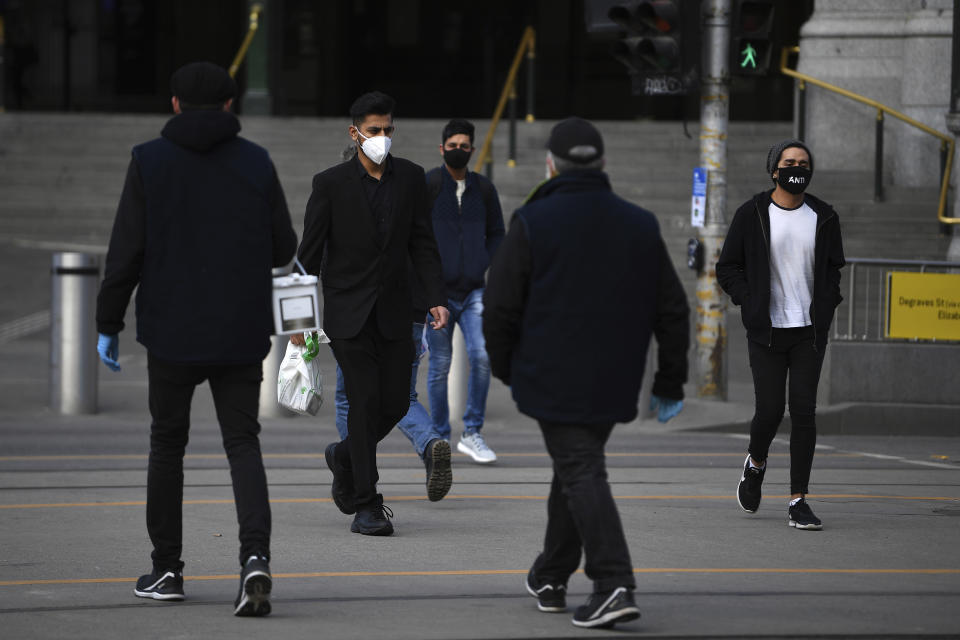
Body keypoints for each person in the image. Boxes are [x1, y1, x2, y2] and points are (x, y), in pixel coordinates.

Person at [95, 61, 296, 616]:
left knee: (167, 445)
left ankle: (166, 570)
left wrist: (108, 323)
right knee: (242, 444)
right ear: (231, 106)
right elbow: (284, 247)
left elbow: (125, 254)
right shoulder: (255, 161)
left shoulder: (148, 161)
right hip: (240, 329)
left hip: (171, 331)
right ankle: (255, 560)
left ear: (176, 104)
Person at [483, 117, 690, 629]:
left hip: (551, 376)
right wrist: (668, 380)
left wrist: (508, 368)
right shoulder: (639, 223)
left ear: (550, 164)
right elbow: (673, 309)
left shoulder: (533, 220)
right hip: (616, 378)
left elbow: (499, 307)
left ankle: (613, 581)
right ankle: (551, 574)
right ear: (602, 164)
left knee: (579, 469)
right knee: (576, 467)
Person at [297, 91, 449, 536]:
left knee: (397, 401)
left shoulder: (412, 179)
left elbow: (423, 243)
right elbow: (306, 257)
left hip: (397, 311)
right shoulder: (330, 184)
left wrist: (436, 296)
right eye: (374, 131)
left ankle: (343, 456)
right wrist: (297, 324)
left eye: (387, 130)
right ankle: (367, 504)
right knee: (363, 402)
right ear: (355, 133)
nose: (382, 138)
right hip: (347, 315)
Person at [717, 139, 845, 531]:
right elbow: (727, 268)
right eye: (789, 162)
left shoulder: (824, 216)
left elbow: (833, 268)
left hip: (808, 331)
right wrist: (748, 300)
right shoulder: (752, 212)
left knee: (803, 412)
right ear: (774, 170)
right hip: (767, 330)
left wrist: (827, 304)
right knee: (770, 411)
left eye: (803, 163)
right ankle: (755, 465)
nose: (796, 168)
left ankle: (798, 500)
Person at [423, 119, 505, 464]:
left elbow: (498, 234)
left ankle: (472, 432)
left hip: (474, 291)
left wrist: (486, 263)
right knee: (440, 366)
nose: (459, 150)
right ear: (442, 149)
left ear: (472, 150)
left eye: (464, 145)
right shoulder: (428, 185)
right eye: (452, 145)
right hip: (437, 293)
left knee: (482, 356)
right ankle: (440, 438)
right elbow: (415, 236)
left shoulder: (483, 190)